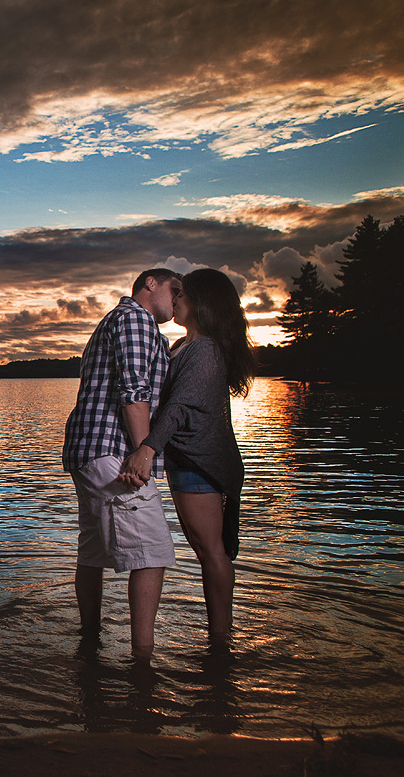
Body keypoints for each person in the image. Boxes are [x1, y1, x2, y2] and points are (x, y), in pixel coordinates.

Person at [120, 268, 254, 647]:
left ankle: (221, 639)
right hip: (184, 463)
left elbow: (178, 407)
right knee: (203, 547)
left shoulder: (206, 350)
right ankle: (219, 638)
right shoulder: (180, 347)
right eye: (174, 291)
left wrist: (146, 448)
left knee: (210, 548)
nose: (175, 298)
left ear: (201, 303)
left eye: (182, 293)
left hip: (202, 463)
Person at [63, 268, 182, 659]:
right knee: (153, 551)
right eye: (174, 289)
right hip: (112, 450)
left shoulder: (119, 321)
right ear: (151, 283)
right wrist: (144, 450)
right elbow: (134, 391)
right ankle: (142, 660)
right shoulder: (134, 318)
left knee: (93, 551)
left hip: (89, 450)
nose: (177, 299)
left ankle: (89, 641)